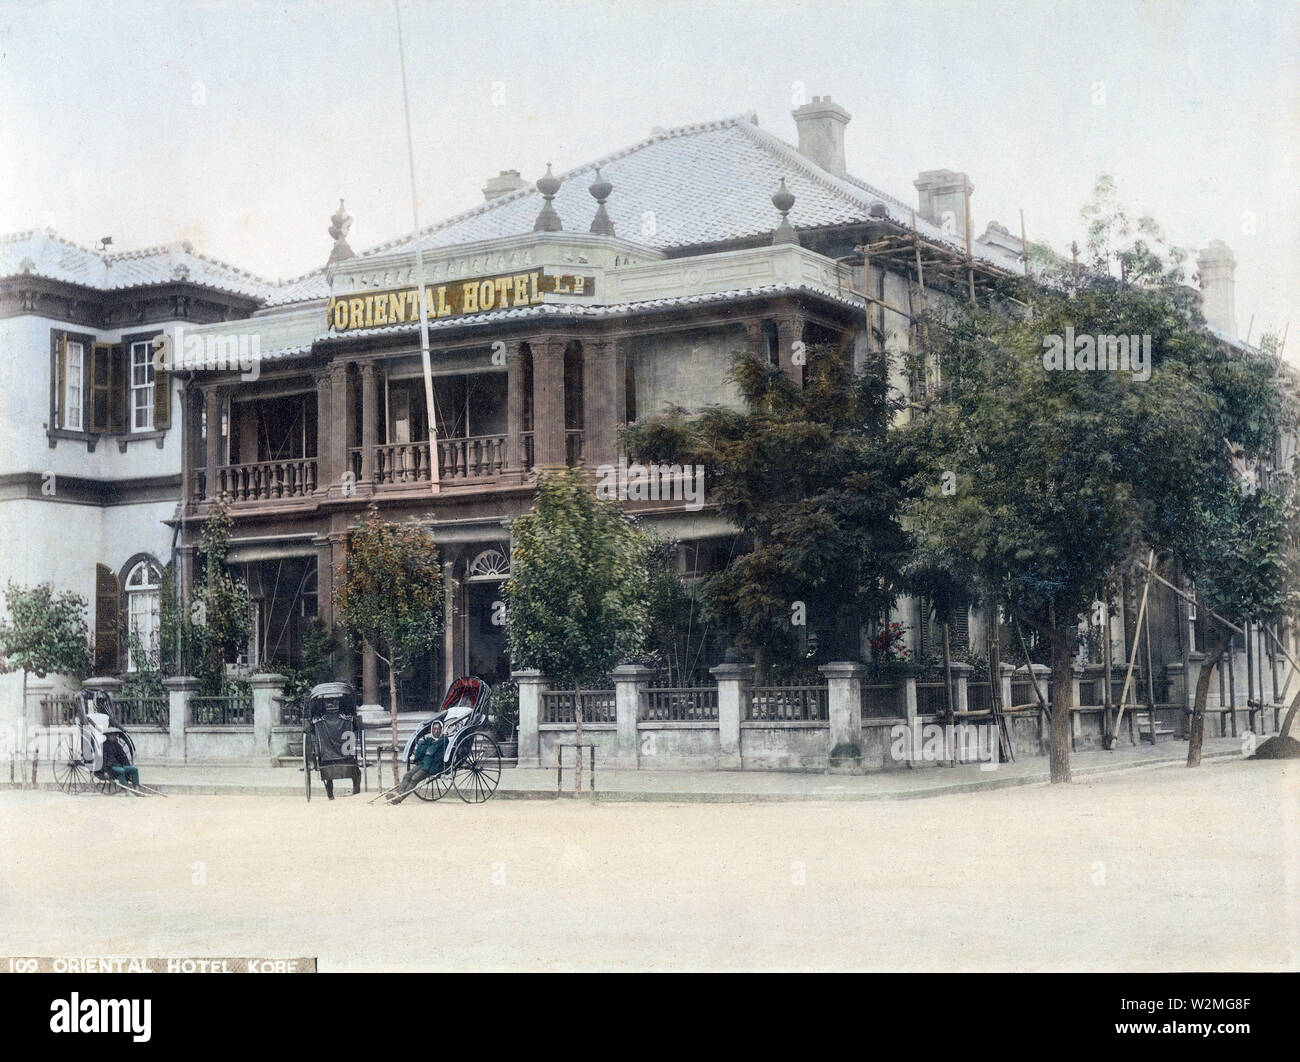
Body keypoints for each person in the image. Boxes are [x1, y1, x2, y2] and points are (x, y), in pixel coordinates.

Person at [388, 722, 447, 803]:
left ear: (441, 730)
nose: (436, 731)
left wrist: (429, 750)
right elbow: (423, 750)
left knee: (414, 778)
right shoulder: (429, 739)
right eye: (434, 729)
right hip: (423, 763)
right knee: (407, 775)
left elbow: (435, 754)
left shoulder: (443, 740)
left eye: (438, 729)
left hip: (432, 766)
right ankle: (399, 793)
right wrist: (428, 750)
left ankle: (400, 798)